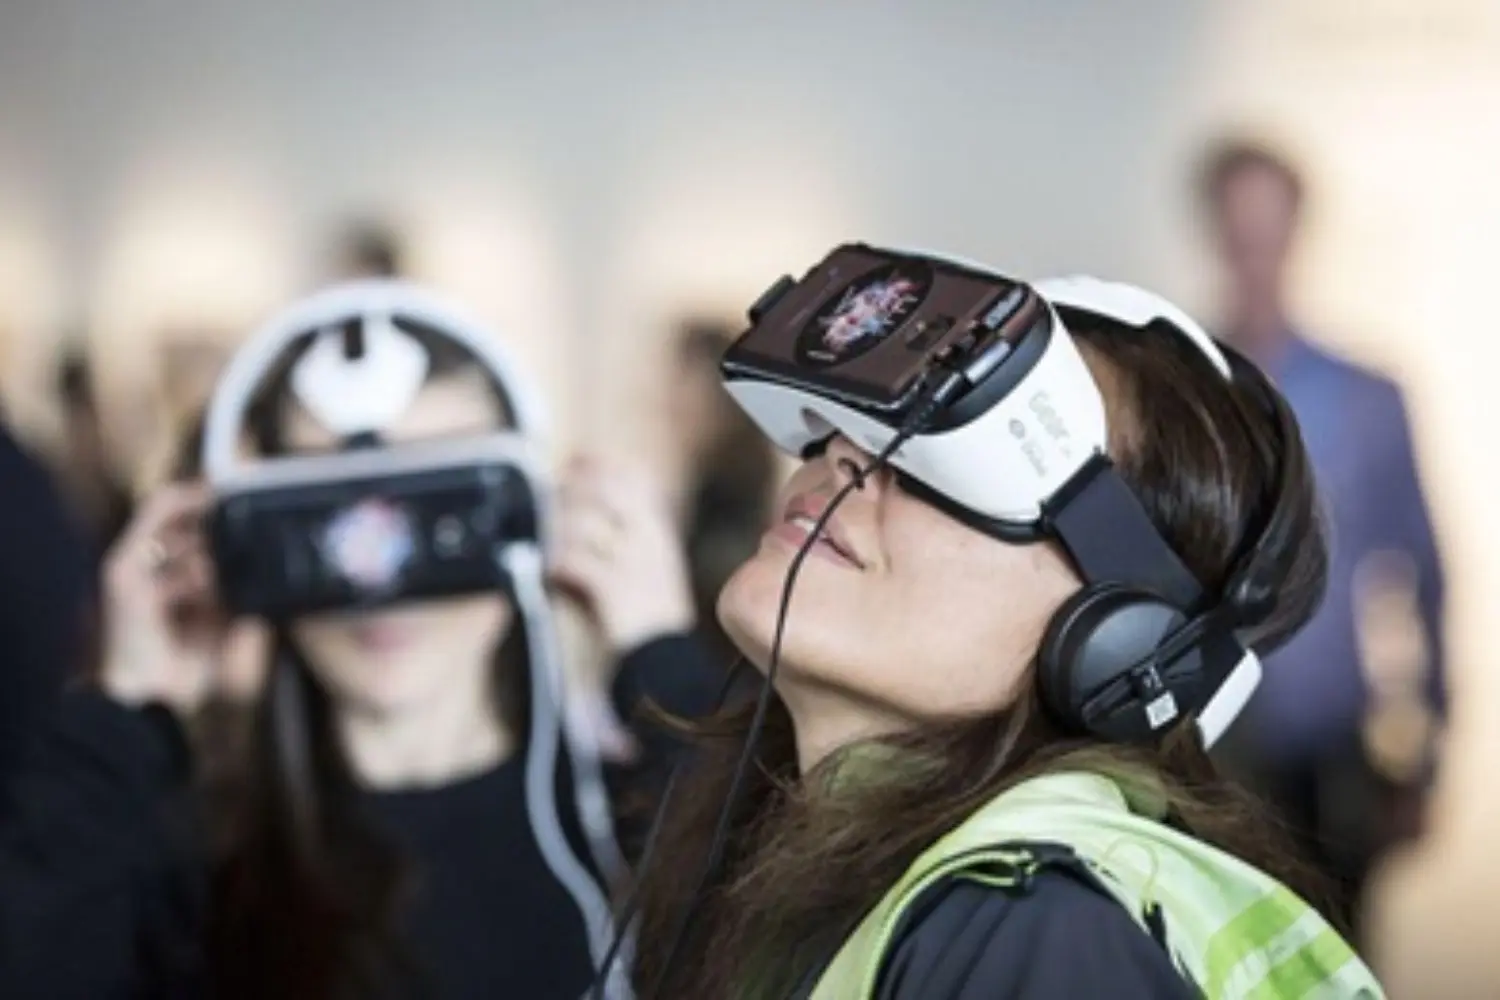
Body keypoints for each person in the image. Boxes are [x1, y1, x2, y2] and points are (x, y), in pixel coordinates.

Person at [624, 264, 1381, 999]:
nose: (848, 453)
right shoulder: (817, 884)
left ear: (1119, 643)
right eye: (871, 420)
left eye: (960, 464)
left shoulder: (1036, 937)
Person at [0, 284, 701, 1000]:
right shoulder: (179, 858)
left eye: (437, 514)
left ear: (528, 521)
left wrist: (661, 658)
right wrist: (125, 710)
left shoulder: (630, 825)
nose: (383, 578)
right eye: (330, 517)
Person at [1197, 138, 1445, 913]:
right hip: (1210, 759)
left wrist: (1426, 751)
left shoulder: (1367, 399)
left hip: (1334, 749)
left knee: (1339, 949)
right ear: (1216, 233)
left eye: (1267, 228)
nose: (1255, 252)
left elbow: (1424, 576)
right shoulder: (1182, 391)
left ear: (1296, 230)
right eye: (1240, 229)